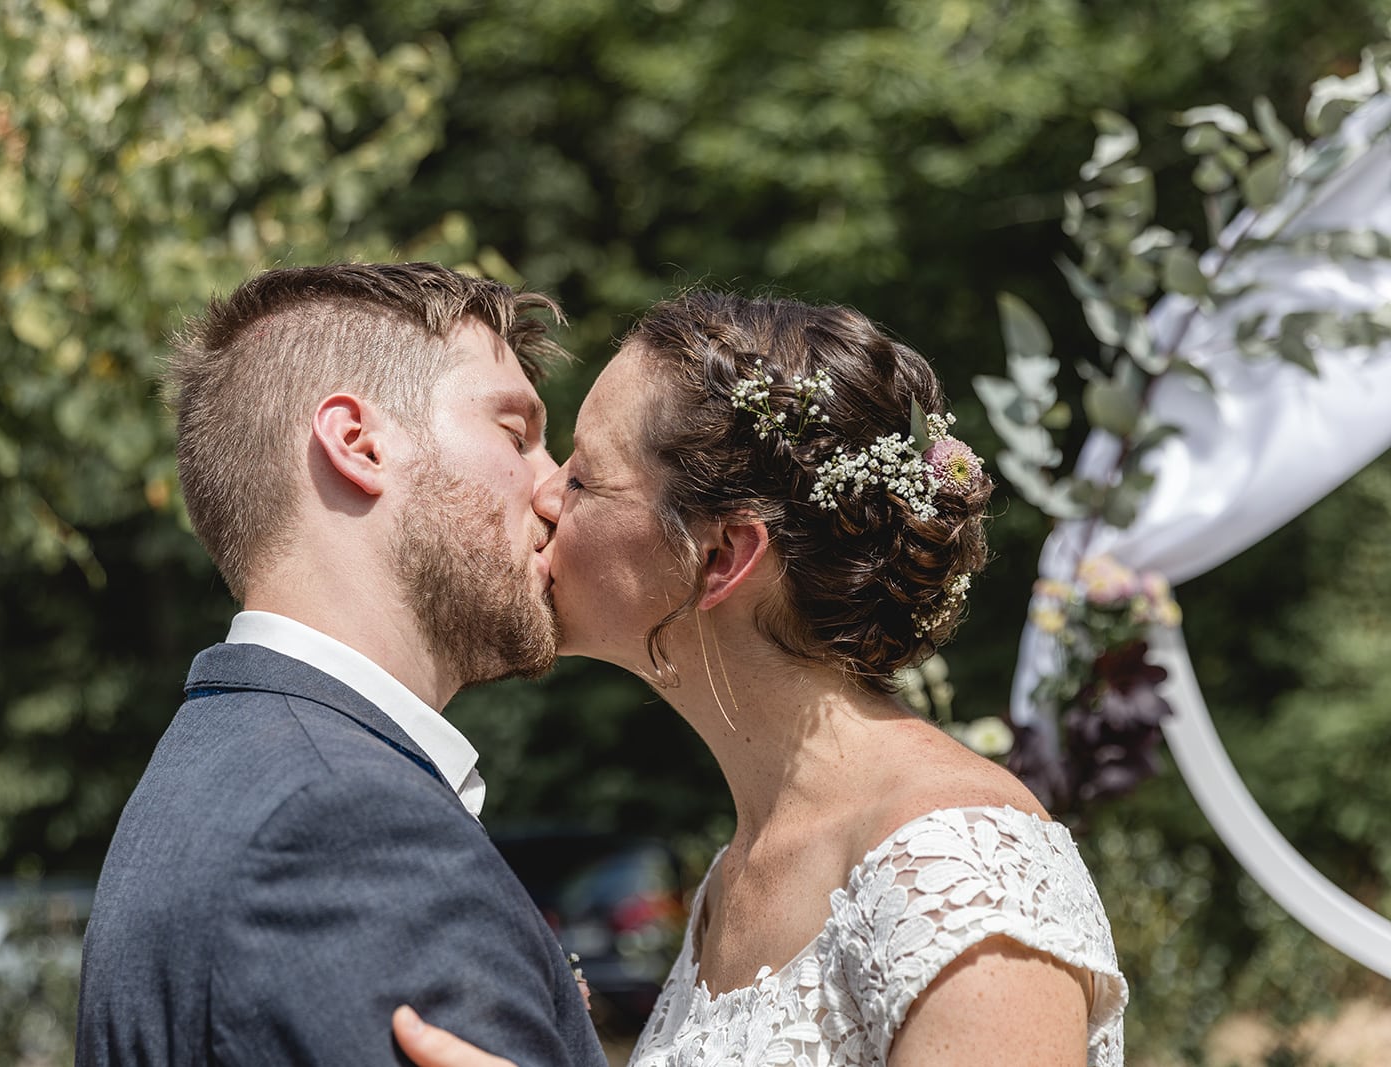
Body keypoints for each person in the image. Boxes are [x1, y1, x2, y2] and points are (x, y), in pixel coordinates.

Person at [394, 292, 1128, 1066]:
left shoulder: (958, 866)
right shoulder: (734, 872)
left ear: (721, 555)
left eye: (585, 477)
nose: (544, 493)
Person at [76, 263, 604, 1066]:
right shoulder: (343, 824)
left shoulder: (225, 764)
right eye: (516, 433)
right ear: (358, 444)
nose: (554, 488)